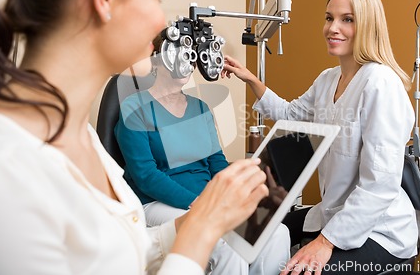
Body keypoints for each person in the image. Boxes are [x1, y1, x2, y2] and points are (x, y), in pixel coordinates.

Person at [0, 0, 270, 274]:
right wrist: (202, 230)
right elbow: (148, 178)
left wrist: (203, 216)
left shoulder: (85, 138)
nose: (162, 21)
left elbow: (117, 253)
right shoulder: (6, 170)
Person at [222, 0, 417, 275]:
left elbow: (379, 187)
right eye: (329, 18)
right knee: (252, 232)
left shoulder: (380, 83)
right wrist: (251, 79)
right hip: (334, 210)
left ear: (367, 25)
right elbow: (290, 115)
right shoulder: (328, 79)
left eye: (346, 19)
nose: (332, 28)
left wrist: (324, 242)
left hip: (379, 229)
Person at [114, 44, 290, 274]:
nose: (186, 62)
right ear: (157, 61)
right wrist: (201, 203)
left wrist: (237, 193)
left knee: (276, 232)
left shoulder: (200, 108)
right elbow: (146, 175)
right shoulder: (135, 107)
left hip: (206, 198)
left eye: (190, 55)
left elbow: (217, 162)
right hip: (156, 202)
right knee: (227, 244)